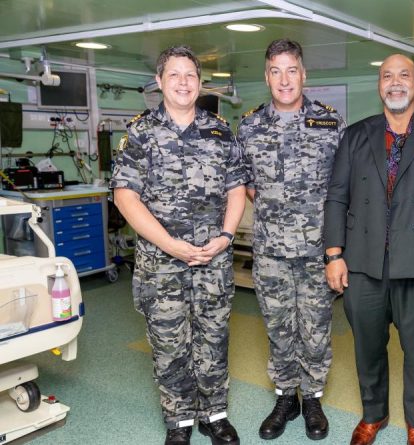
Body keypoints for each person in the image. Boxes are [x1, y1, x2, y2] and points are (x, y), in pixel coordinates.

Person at [323, 54, 414, 445]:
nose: (396, 82)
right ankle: (374, 414)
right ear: (380, 85)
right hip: (364, 264)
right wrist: (334, 255)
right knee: (367, 346)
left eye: (404, 75)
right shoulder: (355, 135)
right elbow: (336, 196)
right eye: (387, 76)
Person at [111, 45, 246, 445]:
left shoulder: (221, 131)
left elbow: (236, 189)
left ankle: (215, 414)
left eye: (190, 75)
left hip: (212, 260)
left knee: (214, 337)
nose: (184, 82)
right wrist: (171, 244)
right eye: (175, 74)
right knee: (169, 343)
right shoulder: (140, 133)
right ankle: (179, 421)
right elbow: (125, 197)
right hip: (161, 263)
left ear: (200, 82)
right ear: (160, 81)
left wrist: (225, 237)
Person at [236, 38, 345, 441]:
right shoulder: (249, 126)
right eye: (276, 71)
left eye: (292, 70)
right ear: (267, 76)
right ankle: (286, 397)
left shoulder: (330, 122)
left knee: (316, 328)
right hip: (271, 253)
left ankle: (313, 397)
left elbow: (343, 185)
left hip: (318, 250)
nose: (285, 79)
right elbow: (244, 183)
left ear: (304, 74)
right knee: (279, 328)